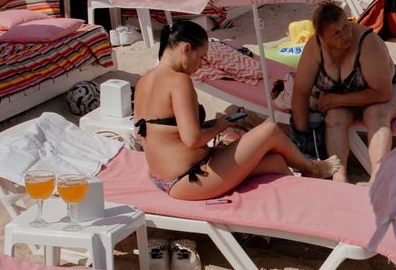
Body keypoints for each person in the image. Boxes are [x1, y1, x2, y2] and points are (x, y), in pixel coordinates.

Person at [134, 19, 336, 199]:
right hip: (190, 178)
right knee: (270, 130)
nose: (201, 64)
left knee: (275, 162)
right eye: (202, 57)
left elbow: (144, 133)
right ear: (187, 49)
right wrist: (219, 127)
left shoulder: (145, 80)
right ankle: (313, 168)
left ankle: (278, 215)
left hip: (164, 176)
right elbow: (192, 139)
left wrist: (207, 126)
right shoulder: (179, 81)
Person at [289, 0, 396, 182]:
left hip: (389, 87)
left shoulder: (367, 42)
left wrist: (338, 100)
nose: (345, 34)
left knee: (376, 113)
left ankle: (378, 179)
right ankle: (340, 178)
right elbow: (300, 94)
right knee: (334, 117)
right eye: (336, 32)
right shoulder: (314, 49)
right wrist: (303, 141)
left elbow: (382, 93)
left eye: (346, 26)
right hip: (344, 93)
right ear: (322, 36)